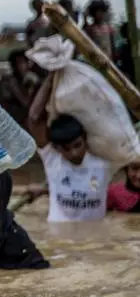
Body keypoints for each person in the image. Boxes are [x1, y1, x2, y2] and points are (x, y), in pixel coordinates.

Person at [27, 76, 113, 222]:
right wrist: (51, 77)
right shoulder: (52, 159)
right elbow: (34, 119)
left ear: (85, 139)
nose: (74, 153)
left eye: (77, 145)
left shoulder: (104, 160)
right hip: (59, 239)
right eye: (66, 149)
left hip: (94, 240)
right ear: (56, 148)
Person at [0, 49, 41, 128]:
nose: (25, 66)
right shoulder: (9, 81)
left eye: (26, 62)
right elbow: (26, 103)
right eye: (21, 63)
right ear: (14, 65)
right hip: (12, 121)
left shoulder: (23, 80)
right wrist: (34, 85)